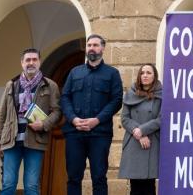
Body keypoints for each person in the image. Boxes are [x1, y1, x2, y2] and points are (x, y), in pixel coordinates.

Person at [60, 34, 124, 195]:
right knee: (73, 178)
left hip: (100, 134)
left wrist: (97, 120)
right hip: (75, 133)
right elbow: (65, 97)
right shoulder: (74, 72)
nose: (92, 48)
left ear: (103, 48)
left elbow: (116, 100)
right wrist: (73, 119)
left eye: (95, 45)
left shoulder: (112, 73)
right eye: (89, 45)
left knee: (99, 177)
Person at [0, 48, 61, 195]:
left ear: (39, 62)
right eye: (27, 60)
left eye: (34, 59)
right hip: (11, 140)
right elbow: (2, 114)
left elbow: (57, 111)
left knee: (31, 186)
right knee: (8, 184)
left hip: (35, 141)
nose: (31, 63)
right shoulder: (11, 84)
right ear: (22, 63)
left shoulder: (50, 85)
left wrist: (44, 124)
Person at [118, 64, 162, 195]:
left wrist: (142, 130)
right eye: (142, 73)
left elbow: (162, 118)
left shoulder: (161, 95)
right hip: (134, 142)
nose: (145, 75)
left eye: (149, 73)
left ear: (154, 76)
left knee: (149, 186)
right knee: (135, 186)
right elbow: (125, 118)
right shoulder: (131, 93)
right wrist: (138, 132)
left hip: (152, 142)